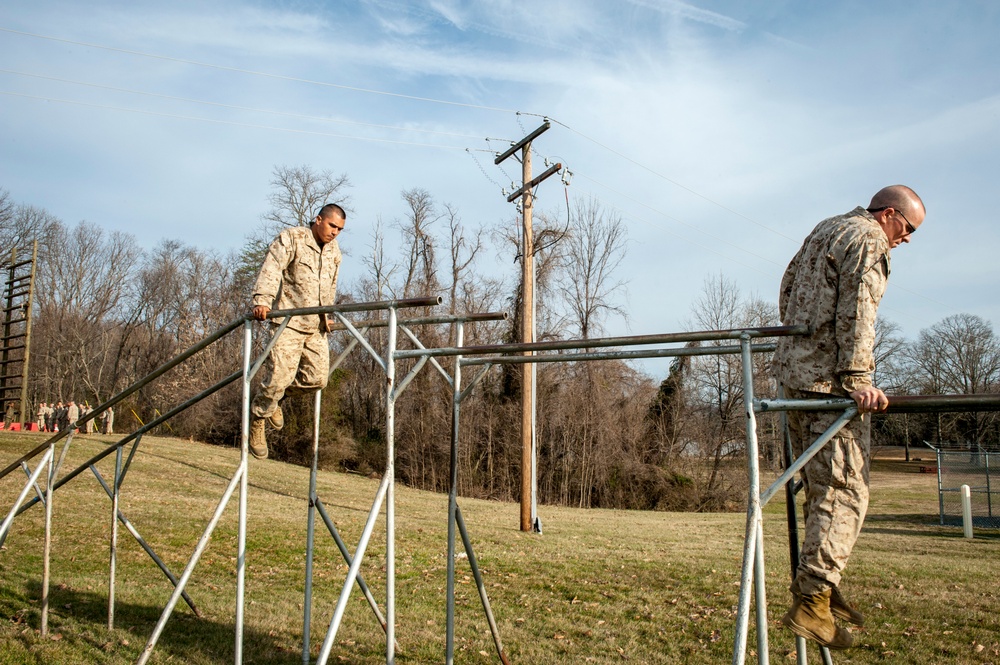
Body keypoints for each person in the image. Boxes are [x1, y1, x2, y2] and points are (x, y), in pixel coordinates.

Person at [775, 185, 925, 649]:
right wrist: (858, 376)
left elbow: (786, 287)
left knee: (820, 487)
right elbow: (860, 307)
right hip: (829, 385)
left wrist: (800, 352)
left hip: (795, 377)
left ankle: (818, 582)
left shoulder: (825, 229)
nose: (907, 239)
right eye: (908, 228)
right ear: (888, 214)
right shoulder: (868, 238)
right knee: (846, 490)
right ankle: (813, 598)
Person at [248, 203, 345, 459]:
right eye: (332, 225)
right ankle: (258, 418)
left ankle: (276, 401)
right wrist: (262, 300)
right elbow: (272, 267)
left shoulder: (335, 251)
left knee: (317, 379)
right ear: (318, 220)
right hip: (289, 322)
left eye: (340, 229)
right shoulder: (293, 238)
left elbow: (330, 286)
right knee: (278, 376)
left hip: (315, 326)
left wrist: (328, 316)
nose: (335, 232)